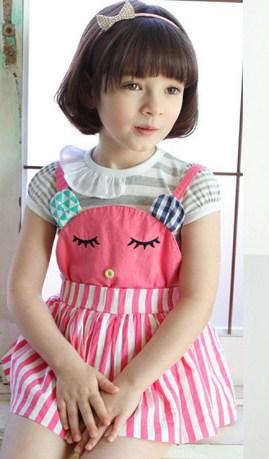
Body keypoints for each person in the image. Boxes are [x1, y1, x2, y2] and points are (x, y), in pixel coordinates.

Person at [0, 1, 237, 458]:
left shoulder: (192, 184)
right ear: (92, 89)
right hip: (63, 353)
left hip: (150, 363)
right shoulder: (54, 181)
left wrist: (131, 385)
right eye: (133, 85)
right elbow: (22, 291)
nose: (154, 107)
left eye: (172, 89)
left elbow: (197, 301)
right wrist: (68, 368)